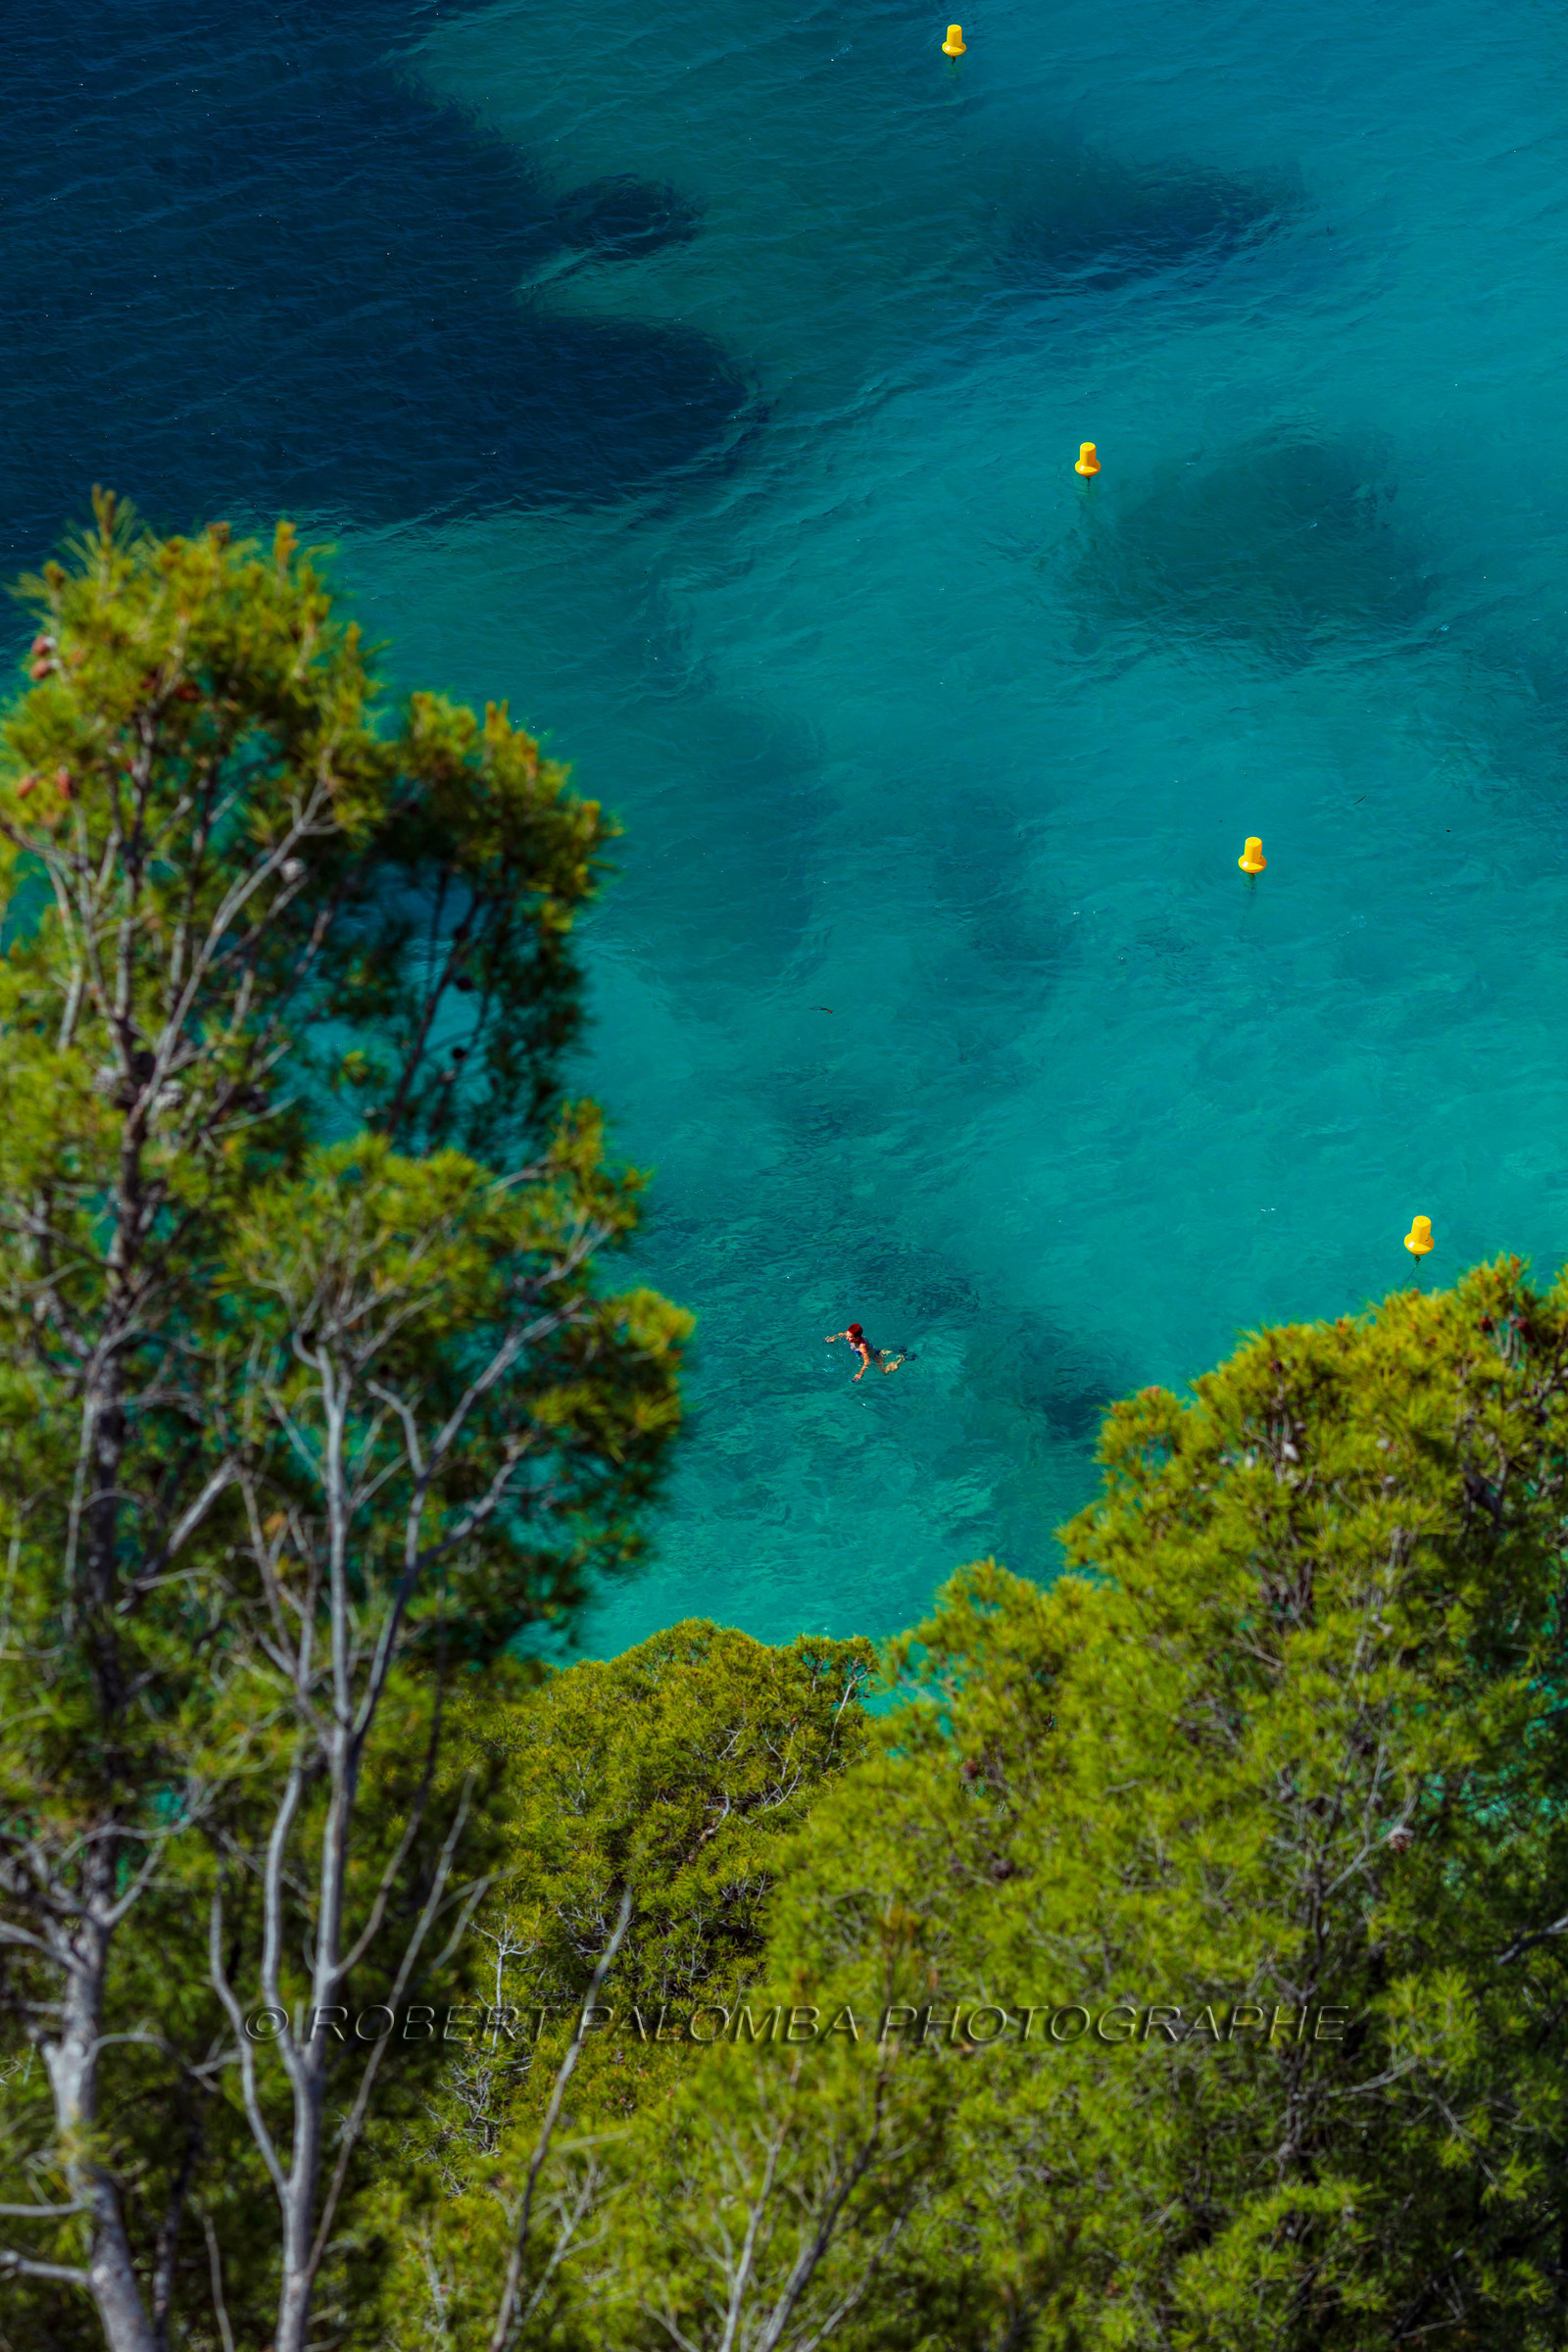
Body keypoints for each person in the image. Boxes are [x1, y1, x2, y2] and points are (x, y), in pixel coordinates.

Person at [826, 1322, 906, 1380]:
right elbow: (841, 1334)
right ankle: (890, 1351)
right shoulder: (849, 1334)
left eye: (850, 1337)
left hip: (875, 1356)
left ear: (857, 1338)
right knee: (882, 1352)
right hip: (874, 1350)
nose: (847, 1338)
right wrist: (832, 1339)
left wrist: (860, 1373)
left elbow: (867, 1362)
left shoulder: (862, 1347)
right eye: (847, 1335)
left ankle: (901, 1359)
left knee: (884, 1372)